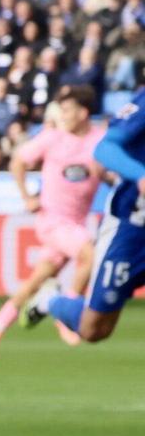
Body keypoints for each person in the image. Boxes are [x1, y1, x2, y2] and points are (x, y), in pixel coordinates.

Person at [0, 87, 103, 361]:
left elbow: (107, 170)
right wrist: (26, 196)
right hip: (52, 220)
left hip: (74, 222)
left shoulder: (99, 140)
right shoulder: (51, 138)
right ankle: (65, 312)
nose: (63, 116)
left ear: (83, 113)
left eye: (68, 110)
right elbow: (17, 162)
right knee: (90, 255)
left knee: (36, 281)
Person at [28, 95, 145, 344]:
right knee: (94, 329)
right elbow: (105, 148)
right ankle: (51, 299)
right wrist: (141, 175)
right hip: (131, 230)